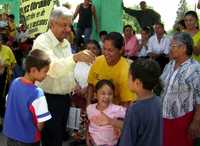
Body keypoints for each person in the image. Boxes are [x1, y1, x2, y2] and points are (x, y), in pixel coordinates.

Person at [32, 7, 95, 146]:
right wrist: (75, 58)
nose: (68, 29)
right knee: (50, 140)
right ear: (52, 24)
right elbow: (52, 68)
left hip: (64, 99)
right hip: (47, 99)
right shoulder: (42, 42)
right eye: (64, 25)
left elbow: (67, 70)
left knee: (59, 137)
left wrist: (74, 85)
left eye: (70, 25)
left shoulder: (65, 43)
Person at [3, 49, 52, 146]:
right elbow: (41, 122)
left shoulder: (15, 82)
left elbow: (7, 102)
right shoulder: (37, 93)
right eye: (45, 71)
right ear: (33, 70)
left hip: (10, 135)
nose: (46, 75)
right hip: (28, 139)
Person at [161, 32, 200, 146]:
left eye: (172, 46)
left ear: (183, 48)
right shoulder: (170, 65)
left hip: (183, 119)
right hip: (164, 117)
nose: (170, 49)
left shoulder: (195, 68)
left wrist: (196, 122)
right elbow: (160, 84)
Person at [118, 59, 162, 146]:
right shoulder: (159, 102)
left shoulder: (134, 110)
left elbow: (127, 141)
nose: (127, 80)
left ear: (137, 83)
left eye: (129, 77)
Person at [87, 32, 136, 106]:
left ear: (121, 50)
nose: (106, 53)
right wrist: (88, 105)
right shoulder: (97, 61)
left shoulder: (125, 71)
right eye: (104, 49)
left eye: (110, 50)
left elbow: (126, 103)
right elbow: (90, 85)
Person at [87, 79, 126, 146]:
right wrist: (87, 136)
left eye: (110, 94)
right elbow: (88, 123)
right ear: (95, 95)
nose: (107, 96)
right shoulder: (90, 108)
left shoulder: (117, 109)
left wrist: (118, 126)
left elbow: (131, 121)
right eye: (103, 93)